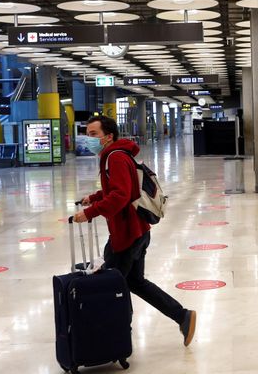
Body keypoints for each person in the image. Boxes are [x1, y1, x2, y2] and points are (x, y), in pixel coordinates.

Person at [73, 115, 198, 347]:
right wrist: (95, 197)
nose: (89, 139)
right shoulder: (118, 154)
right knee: (134, 282)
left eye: (94, 134)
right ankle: (182, 316)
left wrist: (90, 213)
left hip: (126, 235)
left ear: (108, 136)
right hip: (137, 231)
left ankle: (116, 339)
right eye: (87, 134)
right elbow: (123, 189)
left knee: (111, 286)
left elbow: (121, 196)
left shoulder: (115, 158)